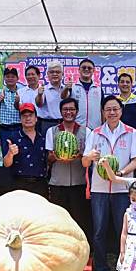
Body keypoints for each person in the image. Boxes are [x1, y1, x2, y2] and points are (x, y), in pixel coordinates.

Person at [82, 95, 136, 271]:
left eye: (115, 109)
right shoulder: (95, 133)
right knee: (99, 231)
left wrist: (122, 172)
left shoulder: (131, 132)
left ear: (121, 111)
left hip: (122, 190)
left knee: (122, 231)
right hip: (99, 190)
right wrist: (89, 156)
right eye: (108, 109)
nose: (112, 112)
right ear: (103, 112)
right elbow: (84, 162)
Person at [45, 98, 90, 237]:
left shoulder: (86, 131)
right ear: (61, 112)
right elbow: (48, 157)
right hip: (58, 183)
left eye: (72, 109)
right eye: (65, 109)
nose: (68, 112)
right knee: (59, 222)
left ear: (77, 111)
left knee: (80, 220)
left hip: (79, 183)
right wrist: (58, 156)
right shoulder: (52, 131)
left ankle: (84, 252)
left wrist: (79, 155)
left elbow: (88, 157)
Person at [4, 103, 49, 198]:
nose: (27, 118)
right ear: (20, 119)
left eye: (30, 115)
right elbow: (6, 163)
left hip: (40, 184)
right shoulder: (13, 137)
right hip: (19, 184)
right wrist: (10, 154)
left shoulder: (43, 138)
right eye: (24, 116)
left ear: (36, 118)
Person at [62, 58, 103, 129]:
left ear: (93, 71)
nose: (86, 69)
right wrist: (66, 88)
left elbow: (102, 109)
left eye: (89, 68)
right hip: (76, 128)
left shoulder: (98, 89)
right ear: (79, 70)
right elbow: (63, 97)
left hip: (95, 128)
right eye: (84, 67)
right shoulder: (72, 87)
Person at [0, 67, 22, 156]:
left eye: (13, 76)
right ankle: (7, 169)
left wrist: (18, 101)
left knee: (19, 153)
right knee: (6, 153)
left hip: (19, 127)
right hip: (4, 128)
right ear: (4, 78)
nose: (10, 78)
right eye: (7, 76)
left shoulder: (22, 91)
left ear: (17, 78)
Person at [35, 60, 65, 135]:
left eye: (57, 72)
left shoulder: (66, 89)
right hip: (46, 124)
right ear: (47, 74)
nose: (55, 74)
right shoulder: (42, 89)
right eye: (52, 72)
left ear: (62, 74)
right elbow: (39, 104)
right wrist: (39, 94)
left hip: (63, 123)